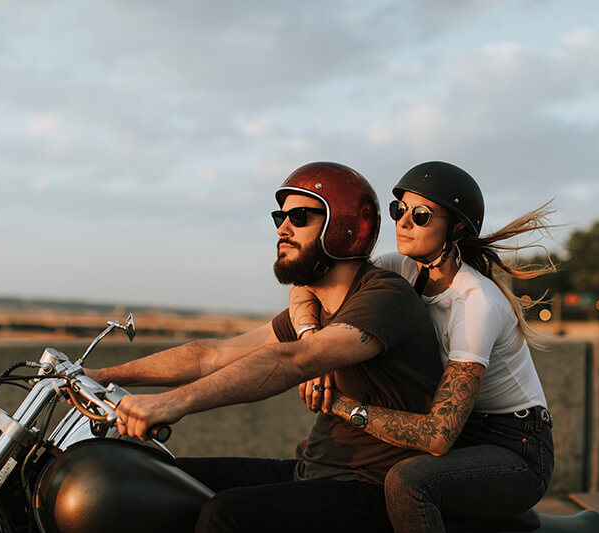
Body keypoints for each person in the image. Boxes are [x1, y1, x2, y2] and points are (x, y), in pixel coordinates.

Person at [85, 161, 444, 533]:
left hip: (369, 490)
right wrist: (98, 376)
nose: (282, 229)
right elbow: (212, 355)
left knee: (228, 514)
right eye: (280, 217)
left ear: (344, 224)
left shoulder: (385, 297)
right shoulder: (315, 308)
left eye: (300, 216)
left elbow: (296, 360)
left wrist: (171, 403)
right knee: (152, 479)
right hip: (311, 472)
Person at [291, 161, 556, 532]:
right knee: (318, 458)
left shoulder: (475, 302)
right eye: (399, 210)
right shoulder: (398, 269)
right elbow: (310, 274)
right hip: (462, 433)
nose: (403, 222)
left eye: (421, 214)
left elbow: (437, 435)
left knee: (408, 484)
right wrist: (311, 345)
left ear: (457, 227)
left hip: (515, 447)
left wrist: (343, 406)